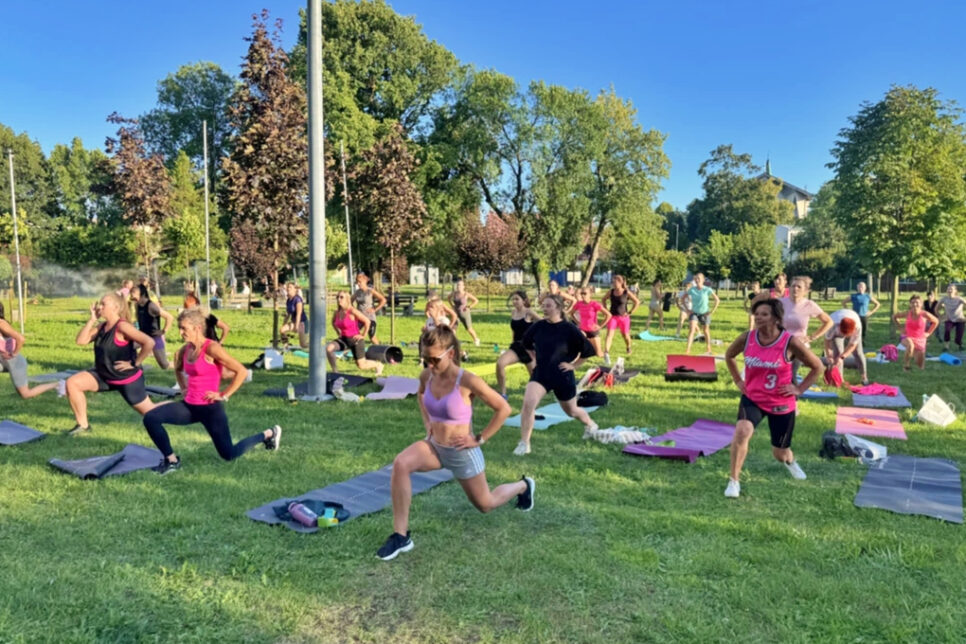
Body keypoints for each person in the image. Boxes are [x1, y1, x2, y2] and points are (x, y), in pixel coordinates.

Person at [377, 325, 533, 561]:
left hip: (461, 451)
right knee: (401, 463)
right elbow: (421, 395)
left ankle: (523, 486)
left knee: (485, 504)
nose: (429, 364)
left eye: (434, 359)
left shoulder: (467, 380)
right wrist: (428, 422)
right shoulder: (427, 375)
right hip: (435, 447)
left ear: (450, 353)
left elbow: (503, 408)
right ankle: (401, 536)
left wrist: (479, 438)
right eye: (424, 359)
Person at [143, 309, 281, 475]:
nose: (180, 332)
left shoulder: (212, 348)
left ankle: (268, 434)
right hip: (189, 407)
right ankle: (171, 461)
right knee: (151, 418)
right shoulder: (185, 350)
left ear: (197, 328)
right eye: (179, 328)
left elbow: (241, 371)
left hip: (210, 410)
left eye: (184, 328)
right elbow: (178, 369)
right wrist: (184, 387)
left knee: (229, 454)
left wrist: (224, 395)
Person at [723, 298, 823, 498]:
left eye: (764, 314)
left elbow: (818, 367)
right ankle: (733, 481)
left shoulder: (790, 342)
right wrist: (738, 380)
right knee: (742, 431)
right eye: (757, 314)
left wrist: (799, 389)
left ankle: (790, 461)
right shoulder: (747, 338)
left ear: (776, 318)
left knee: (780, 453)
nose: (759, 318)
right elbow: (729, 356)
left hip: (780, 402)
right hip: (753, 397)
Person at [515, 294, 598, 456]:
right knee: (528, 404)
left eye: (548, 306)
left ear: (559, 308)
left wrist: (573, 365)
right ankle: (524, 443)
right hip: (541, 374)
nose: (544, 309)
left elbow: (588, 351)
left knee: (572, 411)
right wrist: (534, 358)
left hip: (562, 375)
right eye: (543, 306)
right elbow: (525, 344)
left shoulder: (570, 329)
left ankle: (590, 424)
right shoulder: (538, 326)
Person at [64, 293, 157, 435]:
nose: (99, 307)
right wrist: (91, 320)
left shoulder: (123, 326)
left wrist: (135, 363)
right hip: (105, 375)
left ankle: (184, 408)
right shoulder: (102, 326)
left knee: (150, 412)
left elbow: (149, 342)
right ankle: (83, 426)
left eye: (103, 304)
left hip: (126, 379)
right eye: (100, 304)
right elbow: (81, 341)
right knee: (73, 383)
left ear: (116, 308)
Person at [0, 303, 61, 399]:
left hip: (15, 362)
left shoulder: (1, 323)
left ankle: (57, 384)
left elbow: (21, 338)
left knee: (25, 394)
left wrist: (14, 354)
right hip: (2, 360)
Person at [325, 291, 384, 375]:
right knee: (329, 349)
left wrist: (362, 335)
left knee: (361, 365)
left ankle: (378, 365)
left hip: (355, 340)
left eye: (341, 297)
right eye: (337, 297)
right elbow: (333, 322)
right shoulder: (337, 312)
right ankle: (335, 371)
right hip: (343, 339)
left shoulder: (352, 311)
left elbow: (367, 321)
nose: (339, 299)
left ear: (347, 299)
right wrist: (338, 332)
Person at [495, 291, 539, 399]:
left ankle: (539, 393)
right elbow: (514, 331)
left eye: (517, 299)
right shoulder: (513, 313)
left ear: (524, 301)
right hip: (516, 347)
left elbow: (543, 323)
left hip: (529, 348)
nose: (514, 301)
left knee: (535, 377)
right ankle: (503, 393)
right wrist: (512, 342)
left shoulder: (529, 313)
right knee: (500, 364)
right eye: (513, 299)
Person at [132, 284, 174, 370]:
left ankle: (181, 364)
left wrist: (164, 331)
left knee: (164, 365)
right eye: (131, 292)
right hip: (143, 337)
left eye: (133, 293)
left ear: (141, 293)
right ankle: (135, 366)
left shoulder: (151, 305)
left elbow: (169, 317)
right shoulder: (137, 305)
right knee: (129, 346)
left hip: (154, 337)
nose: (131, 295)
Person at [823, 308, 868, 386]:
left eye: (847, 335)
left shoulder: (857, 327)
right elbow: (827, 341)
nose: (845, 336)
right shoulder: (832, 326)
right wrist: (829, 355)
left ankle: (864, 376)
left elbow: (852, 345)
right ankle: (839, 379)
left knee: (858, 352)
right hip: (836, 328)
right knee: (837, 353)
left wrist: (843, 357)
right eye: (843, 334)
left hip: (853, 318)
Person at [894, 295, 939, 371]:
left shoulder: (924, 314)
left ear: (921, 304)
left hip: (920, 339)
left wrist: (928, 333)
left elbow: (936, 321)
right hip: (907, 336)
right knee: (910, 345)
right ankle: (906, 366)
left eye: (917, 302)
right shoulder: (907, 313)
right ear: (910, 304)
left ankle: (915, 363)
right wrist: (900, 328)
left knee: (920, 366)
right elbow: (894, 317)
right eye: (912, 302)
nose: (915, 304)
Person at [602, 275, 640, 364]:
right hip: (612, 317)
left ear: (621, 282)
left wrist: (630, 312)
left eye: (615, 282)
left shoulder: (626, 292)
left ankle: (628, 347)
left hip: (624, 318)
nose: (614, 284)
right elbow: (603, 299)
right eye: (613, 282)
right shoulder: (611, 292)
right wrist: (606, 311)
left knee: (625, 336)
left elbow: (637, 302)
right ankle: (606, 353)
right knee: (609, 335)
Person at [681, 272, 721, 355]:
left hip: (705, 313)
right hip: (694, 312)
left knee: (705, 330)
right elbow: (682, 299)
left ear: (703, 280)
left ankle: (708, 347)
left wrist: (712, 311)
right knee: (691, 329)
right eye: (696, 278)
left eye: (698, 278)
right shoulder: (692, 289)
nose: (697, 280)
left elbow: (717, 300)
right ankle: (688, 349)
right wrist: (688, 310)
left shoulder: (707, 289)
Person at [569, 287, 612, 358]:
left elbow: (608, 315)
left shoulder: (594, 304)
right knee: (580, 350)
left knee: (598, 353)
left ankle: (606, 356)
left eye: (585, 293)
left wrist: (600, 326)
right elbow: (571, 313)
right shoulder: (579, 304)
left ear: (590, 294)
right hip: (583, 330)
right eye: (581, 293)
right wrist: (578, 322)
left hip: (593, 331)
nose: (583, 295)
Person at [352, 272, 387, 345]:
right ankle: (354, 350)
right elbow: (349, 302)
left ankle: (379, 350)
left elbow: (383, 300)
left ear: (365, 281)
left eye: (360, 282)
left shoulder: (370, 291)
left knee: (372, 336)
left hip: (370, 317)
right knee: (353, 333)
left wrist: (374, 309)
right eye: (357, 282)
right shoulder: (357, 292)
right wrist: (354, 311)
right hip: (360, 318)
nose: (358, 284)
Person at [449, 279, 481, 347]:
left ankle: (476, 339)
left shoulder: (466, 294)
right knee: (453, 328)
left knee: (469, 329)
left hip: (464, 313)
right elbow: (448, 298)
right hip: (456, 313)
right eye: (457, 285)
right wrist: (452, 306)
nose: (458, 286)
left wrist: (469, 307)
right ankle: (455, 342)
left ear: (463, 286)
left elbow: (476, 300)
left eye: (460, 285)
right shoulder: (454, 293)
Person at [937, 284, 966, 352]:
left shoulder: (960, 299)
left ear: (955, 291)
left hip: (960, 320)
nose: (949, 290)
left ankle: (960, 345)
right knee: (947, 331)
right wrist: (941, 316)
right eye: (948, 289)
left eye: (951, 289)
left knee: (958, 338)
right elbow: (936, 308)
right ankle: (946, 347)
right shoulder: (944, 299)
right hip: (949, 319)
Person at [281, 282, 309, 349]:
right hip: (294, 322)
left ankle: (317, 349)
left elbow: (299, 314)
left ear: (295, 289)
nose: (288, 288)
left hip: (302, 323)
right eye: (287, 287)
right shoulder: (288, 300)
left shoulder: (298, 299)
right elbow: (288, 314)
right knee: (282, 330)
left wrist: (296, 327)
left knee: (303, 345)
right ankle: (286, 347)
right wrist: (284, 323)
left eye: (290, 287)